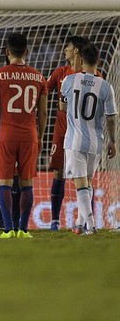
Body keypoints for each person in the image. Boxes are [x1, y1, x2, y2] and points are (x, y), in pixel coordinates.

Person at [0, 33, 48, 239]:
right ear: (27, 52)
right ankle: (23, 229)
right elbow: (43, 113)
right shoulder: (39, 77)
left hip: (6, 134)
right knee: (27, 182)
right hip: (29, 134)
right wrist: (40, 136)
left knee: (5, 182)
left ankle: (9, 229)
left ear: (7, 52)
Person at [60, 44, 117, 235]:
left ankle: (91, 226)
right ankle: (79, 223)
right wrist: (112, 141)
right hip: (95, 142)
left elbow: (61, 106)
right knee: (88, 183)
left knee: (81, 185)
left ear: (81, 60)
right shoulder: (106, 86)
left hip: (74, 141)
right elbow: (110, 117)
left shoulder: (68, 80)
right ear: (98, 61)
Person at [45, 35, 91, 230]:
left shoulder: (91, 75)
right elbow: (43, 92)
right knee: (59, 173)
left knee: (85, 177)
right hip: (62, 131)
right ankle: (55, 221)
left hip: (83, 133)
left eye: (68, 46)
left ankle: (84, 221)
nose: (65, 49)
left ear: (77, 51)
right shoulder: (60, 73)